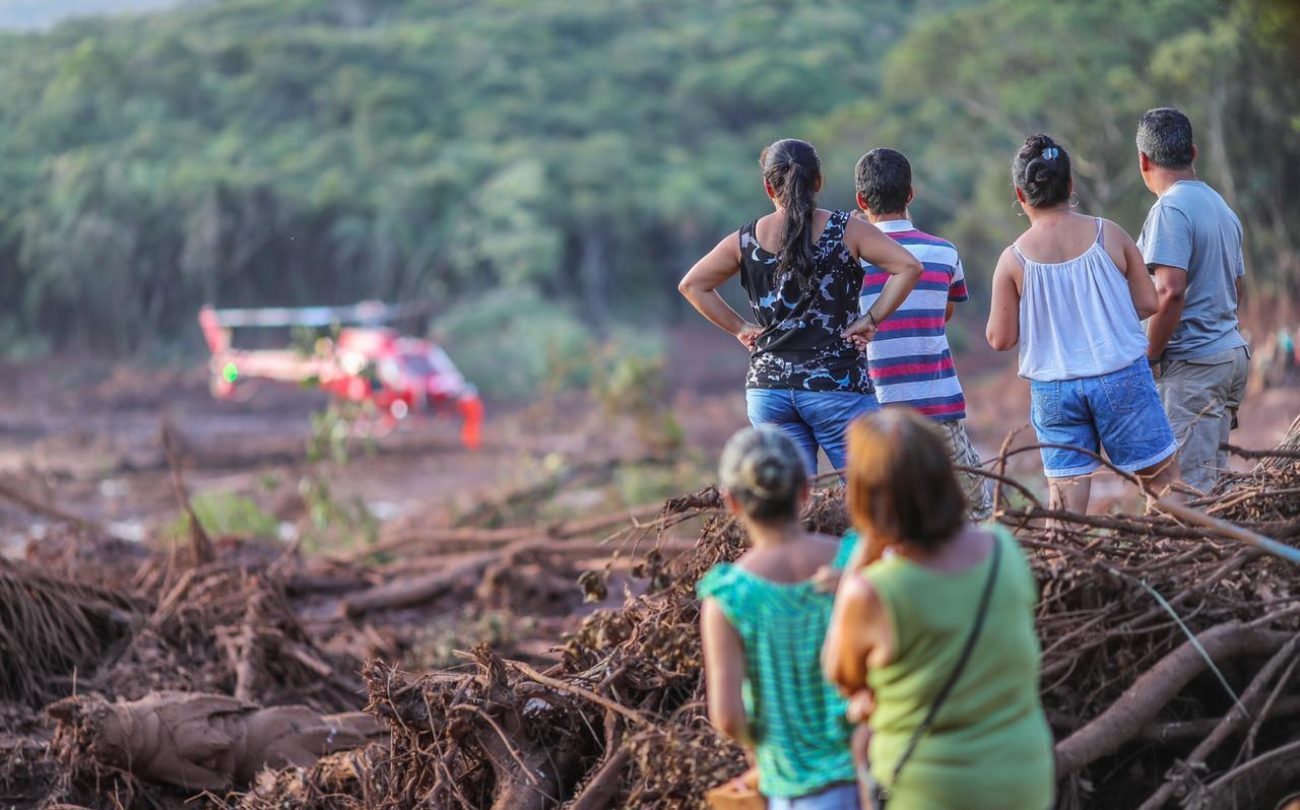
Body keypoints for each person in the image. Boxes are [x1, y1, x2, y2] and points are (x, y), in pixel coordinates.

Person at [823, 408, 1054, 810]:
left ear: (866, 494)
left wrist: (865, 550)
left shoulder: (873, 593)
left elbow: (840, 676)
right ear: (945, 477)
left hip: (930, 791)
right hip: (1024, 775)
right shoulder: (1003, 550)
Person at [679, 138, 922, 475]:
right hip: (837, 386)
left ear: (768, 186)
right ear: (819, 181)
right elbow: (909, 267)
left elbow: (692, 285)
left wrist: (740, 327)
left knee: (794, 503)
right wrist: (872, 318)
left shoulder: (745, 239)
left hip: (769, 390)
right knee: (874, 496)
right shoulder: (847, 230)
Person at [986, 134, 1178, 513]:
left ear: (1020, 195)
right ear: (1070, 185)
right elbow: (1146, 302)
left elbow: (1000, 338)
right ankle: (1181, 560)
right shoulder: (1110, 233)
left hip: (1054, 390)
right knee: (1163, 485)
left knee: (1064, 502)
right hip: (1120, 376)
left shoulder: (1012, 260)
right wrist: (1102, 314)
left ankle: (1063, 567)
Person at [698, 426, 860, 809]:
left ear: (732, 502)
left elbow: (727, 717)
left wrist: (764, 746)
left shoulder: (729, 596)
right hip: (867, 778)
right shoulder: (853, 562)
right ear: (804, 491)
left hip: (787, 787)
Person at [853, 147, 993, 520]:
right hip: (937, 407)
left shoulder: (849, 260)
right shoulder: (944, 253)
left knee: (889, 517)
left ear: (861, 200)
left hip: (877, 413)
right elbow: (943, 313)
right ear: (910, 195)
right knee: (974, 513)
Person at [1137, 107, 1250, 493]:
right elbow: (1238, 290)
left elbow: (1169, 291)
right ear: (1194, 153)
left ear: (1143, 161)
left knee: (1189, 491)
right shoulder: (1222, 208)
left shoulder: (1170, 209)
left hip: (1193, 366)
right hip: (1228, 357)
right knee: (1212, 482)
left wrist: (1149, 355)